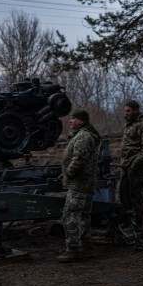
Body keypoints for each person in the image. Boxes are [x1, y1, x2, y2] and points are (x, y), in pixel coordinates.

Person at [57, 108, 101, 263]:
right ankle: (86, 246)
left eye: (73, 118)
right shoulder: (82, 135)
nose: (70, 121)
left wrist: (68, 172)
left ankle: (73, 249)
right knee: (83, 215)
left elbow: (79, 159)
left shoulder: (83, 137)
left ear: (81, 121)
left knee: (70, 215)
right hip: (84, 182)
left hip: (79, 183)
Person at [119, 99, 143, 232]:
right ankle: (127, 221)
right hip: (125, 164)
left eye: (128, 111)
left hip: (136, 165)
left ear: (136, 110)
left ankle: (137, 224)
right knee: (123, 193)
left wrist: (135, 162)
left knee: (135, 195)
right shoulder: (129, 124)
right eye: (125, 111)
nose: (126, 113)